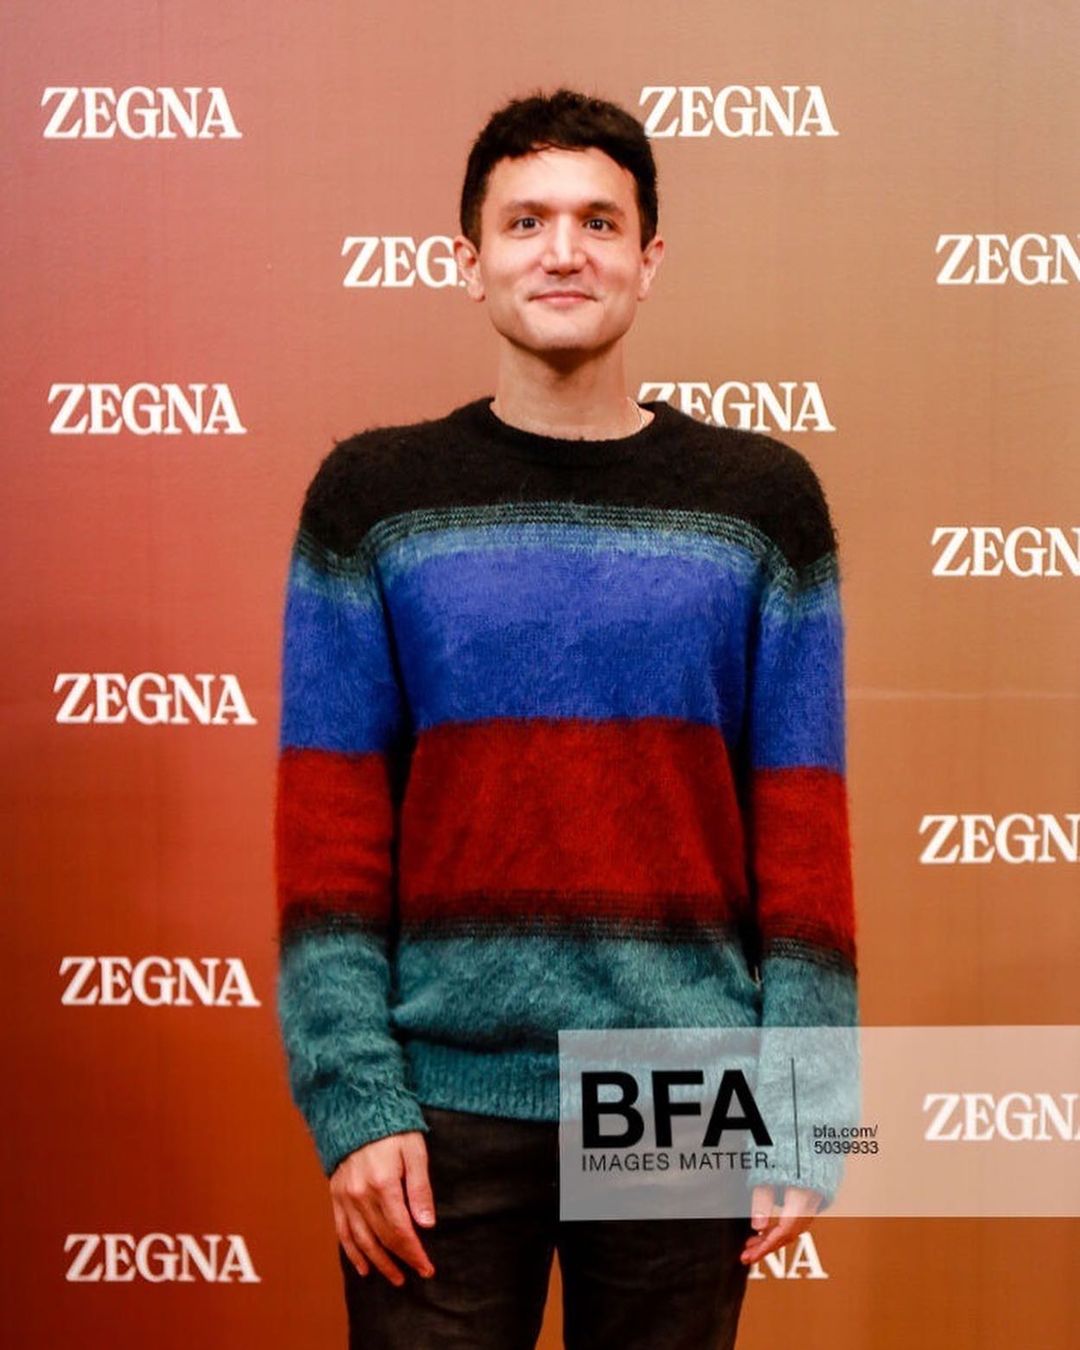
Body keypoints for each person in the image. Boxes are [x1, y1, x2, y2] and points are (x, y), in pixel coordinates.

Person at [274, 87, 858, 1349]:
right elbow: (328, 838)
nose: (563, 251)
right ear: (469, 260)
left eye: (600, 222)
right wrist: (352, 1100)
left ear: (649, 260)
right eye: (525, 220)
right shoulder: (372, 497)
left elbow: (803, 821)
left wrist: (809, 1103)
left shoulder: (762, 502)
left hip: (683, 1091)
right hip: (435, 1100)